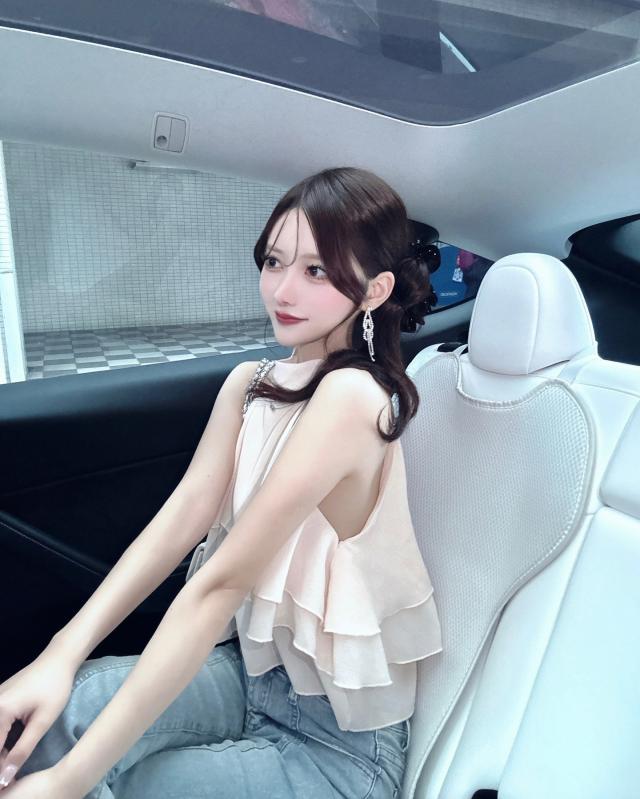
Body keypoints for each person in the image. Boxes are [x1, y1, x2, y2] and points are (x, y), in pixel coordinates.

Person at [0, 167, 443, 798]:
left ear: (375, 291)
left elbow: (220, 584)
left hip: (339, 748)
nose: (283, 289)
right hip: (251, 675)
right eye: (274, 261)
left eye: (317, 271)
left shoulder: (353, 395)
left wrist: (72, 781)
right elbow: (177, 524)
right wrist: (58, 656)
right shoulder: (249, 385)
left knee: (104, 783)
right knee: (52, 719)